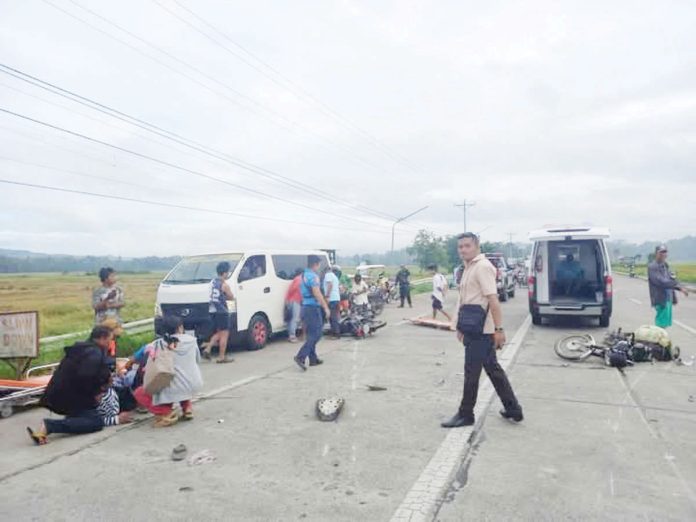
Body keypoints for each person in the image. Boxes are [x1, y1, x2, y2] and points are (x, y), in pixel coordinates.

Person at [442, 232, 522, 429]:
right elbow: (465, 300)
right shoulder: (468, 267)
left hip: (482, 331)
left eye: (467, 246)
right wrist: (459, 326)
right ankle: (513, 409)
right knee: (494, 370)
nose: (463, 250)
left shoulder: (483, 267)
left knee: (472, 373)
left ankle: (466, 414)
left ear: (476, 246)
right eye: (460, 247)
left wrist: (499, 329)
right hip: (472, 327)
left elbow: (493, 300)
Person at [27, 326, 123, 445]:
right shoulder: (94, 353)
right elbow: (85, 377)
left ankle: (69, 421)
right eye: (110, 339)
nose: (111, 343)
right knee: (96, 422)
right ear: (102, 339)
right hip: (72, 397)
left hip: (60, 394)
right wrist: (96, 393)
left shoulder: (82, 348)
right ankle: (49, 425)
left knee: (87, 416)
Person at [134, 316, 203, 427]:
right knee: (181, 382)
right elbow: (197, 360)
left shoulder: (159, 343)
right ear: (180, 327)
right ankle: (187, 408)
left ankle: (165, 412)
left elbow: (143, 356)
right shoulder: (192, 340)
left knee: (139, 392)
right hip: (194, 384)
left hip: (172, 387)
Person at [293, 255, 330, 371]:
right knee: (317, 334)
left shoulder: (303, 275)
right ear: (315, 264)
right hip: (313, 308)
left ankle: (313, 359)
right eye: (318, 264)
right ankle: (301, 356)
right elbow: (317, 293)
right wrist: (325, 307)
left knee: (310, 334)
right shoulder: (313, 277)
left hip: (305, 307)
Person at [648, 245, 689, 328]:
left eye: (665, 252)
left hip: (668, 298)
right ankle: (657, 340)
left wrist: (679, 288)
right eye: (661, 252)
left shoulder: (665, 265)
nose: (663, 254)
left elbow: (671, 279)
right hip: (660, 299)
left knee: (665, 323)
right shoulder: (653, 267)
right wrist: (678, 286)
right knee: (661, 323)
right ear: (656, 253)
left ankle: (660, 339)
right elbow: (661, 282)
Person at [203, 261, 235, 363]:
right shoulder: (224, 285)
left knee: (219, 333)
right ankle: (221, 356)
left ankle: (208, 348)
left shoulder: (212, 282)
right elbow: (231, 297)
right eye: (228, 272)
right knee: (224, 334)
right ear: (224, 273)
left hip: (213, 311)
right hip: (222, 311)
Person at [323, 266, 342, 340]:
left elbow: (330, 285)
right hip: (336, 298)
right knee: (334, 316)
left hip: (332, 298)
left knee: (333, 317)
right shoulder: (334, 276)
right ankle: (334, 332)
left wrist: (327, 295)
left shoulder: (328, 275)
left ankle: (336, 334)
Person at [285, 269, 303, 343]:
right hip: (295, 300)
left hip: (292, 300)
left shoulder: (297, 279)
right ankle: (292, 336)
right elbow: (293, 289)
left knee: (291, 318)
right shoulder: (300, 279)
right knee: (294, 319)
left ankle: (290, 334)